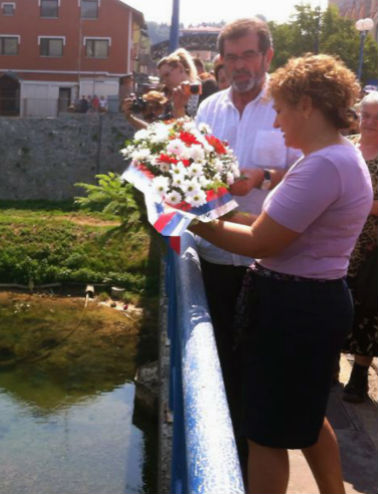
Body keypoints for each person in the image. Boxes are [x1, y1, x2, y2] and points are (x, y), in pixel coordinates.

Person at [189, 53, 373, 494]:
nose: (276, 123)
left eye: (280, 108)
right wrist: (212, 213)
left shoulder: (324, 166)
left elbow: (260, 243)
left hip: (294, 308)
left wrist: (189, 220)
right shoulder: (337, 157)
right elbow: (264, 229)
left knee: (265, 431)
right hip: (312, 302)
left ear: (306, 104)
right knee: (307, 416)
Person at [184, 17, 301, 480]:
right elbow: (191, 166)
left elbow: (315, 167)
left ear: (268, 57)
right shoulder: (209, 108)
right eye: (231, 58)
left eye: (248, 55)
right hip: (214, 254)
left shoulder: (289, 105)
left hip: (268, 261)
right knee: (222, 363)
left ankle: (248, 468)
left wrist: (262, 176)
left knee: (261, 370)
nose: (239, 66)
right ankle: (224, 460)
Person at [342, 90, 378, 403]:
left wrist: (360, 202)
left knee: (367, 309)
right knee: (338, 302)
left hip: (372, 248)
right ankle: (328, 364)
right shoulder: (348, 147)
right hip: (340, 241)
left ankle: (359, 375)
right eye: (366, 115)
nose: (369, 123)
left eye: (377, 118)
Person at [156, 48, 200, 118]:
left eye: (167, 75)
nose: (165, 81)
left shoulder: (205, 88)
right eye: (162, 79)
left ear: (180, 68)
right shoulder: (169, 102)